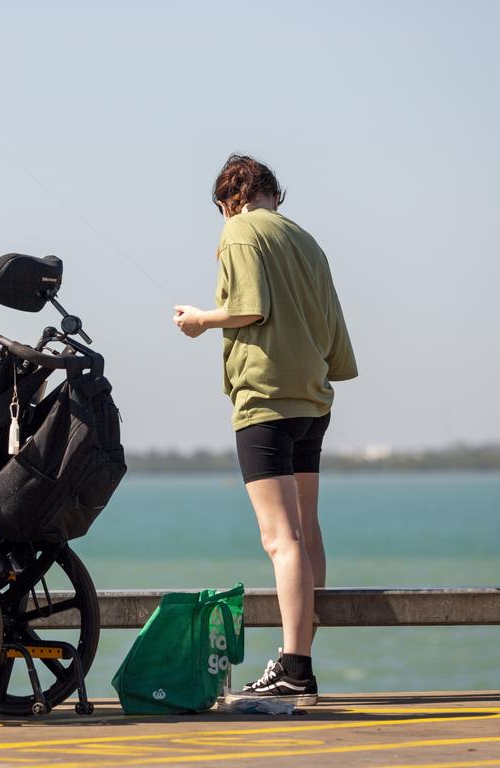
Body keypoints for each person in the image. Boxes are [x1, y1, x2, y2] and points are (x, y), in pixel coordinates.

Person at [173, 154, 357, 705]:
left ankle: (295, 667)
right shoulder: (306, 240)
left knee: (280, 539)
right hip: (312, 398)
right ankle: (297, 653)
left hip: (266, 401)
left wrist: (199, 320)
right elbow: (336, 337)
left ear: (232, 197)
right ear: (276, 193)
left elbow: (248, 308)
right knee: (306, 530)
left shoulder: (239, 229)